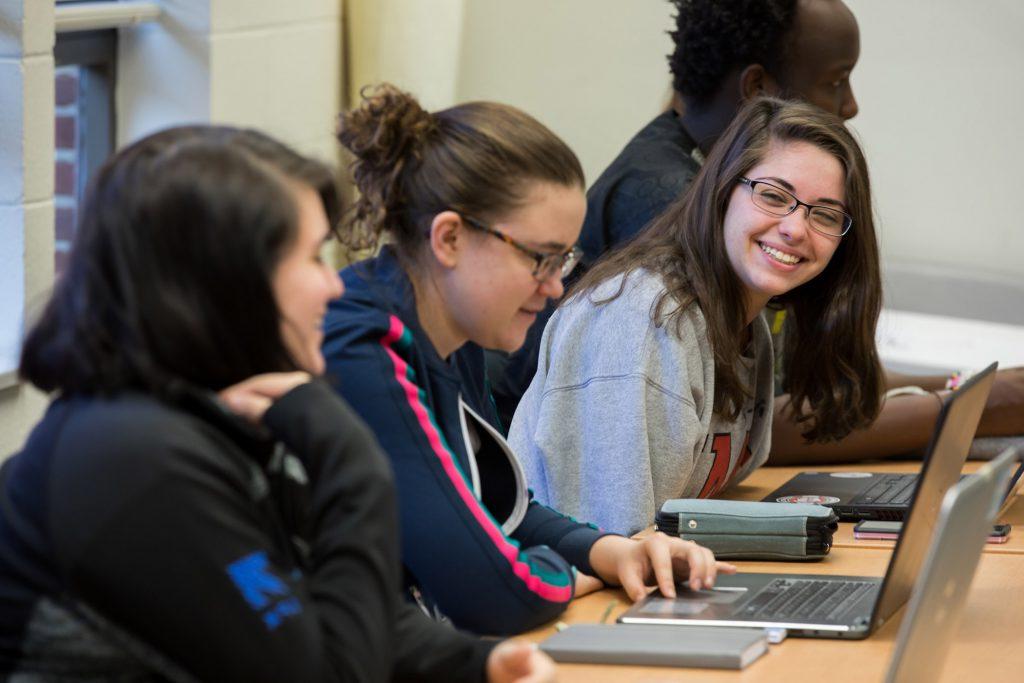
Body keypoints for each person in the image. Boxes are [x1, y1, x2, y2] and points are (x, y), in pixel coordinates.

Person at [0, 125, 554, 682]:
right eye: (312, 258)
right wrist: (354, 467)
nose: (332, 287)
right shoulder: (137, 457)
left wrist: (475, 663)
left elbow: (315, 610)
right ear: (230, 279)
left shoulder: (205, 421)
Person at [496, 0, 1024, 461]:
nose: (851, 105)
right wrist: (972, 406)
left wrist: (964, 387)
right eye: (836, 80)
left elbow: (808, 383)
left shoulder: (727, 189)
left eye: (824, 214)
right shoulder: (673, 202)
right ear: (758, 91)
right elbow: (765, 421)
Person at [324, 83, 733, 637]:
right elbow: (492, 593)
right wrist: (574, 575)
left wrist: (611, 552)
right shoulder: (363, 344)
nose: (556, 287)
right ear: (449, 238)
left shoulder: (453, 326)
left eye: (565, 259)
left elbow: (498, 506)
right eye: (540, 259)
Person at [509, 97, 883, 534]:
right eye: (774, 195)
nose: (795, 228)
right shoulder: (639, 319)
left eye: (825, 214)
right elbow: (612, 541)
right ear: (723, 189)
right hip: (570, 594)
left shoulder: (749, 325)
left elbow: (706, 496)